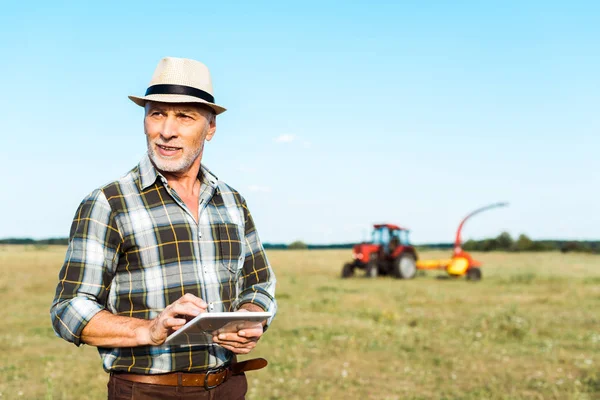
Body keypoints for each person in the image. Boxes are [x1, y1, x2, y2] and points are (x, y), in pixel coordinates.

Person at [50, 56, 277, 399]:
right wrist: (150, 330)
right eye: (157, 113)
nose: (166, 130)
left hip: (229, 386)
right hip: (148, 391)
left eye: (184, 116)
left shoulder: (232, 201)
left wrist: (249, 317)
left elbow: (259, 283)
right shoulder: (109, 202)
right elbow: (68, 309)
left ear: (211, 127)